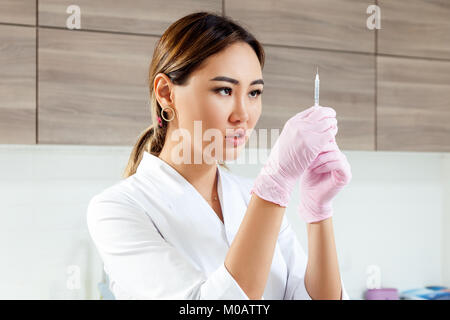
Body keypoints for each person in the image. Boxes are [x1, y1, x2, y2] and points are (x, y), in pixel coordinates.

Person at [86, 11, 352, 300]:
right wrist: (276, 183)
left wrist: (318, 213)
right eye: (224, 90)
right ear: (166, 93)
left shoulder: (252, 198)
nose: (243, 115)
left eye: (254, 93)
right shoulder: (117, 209)